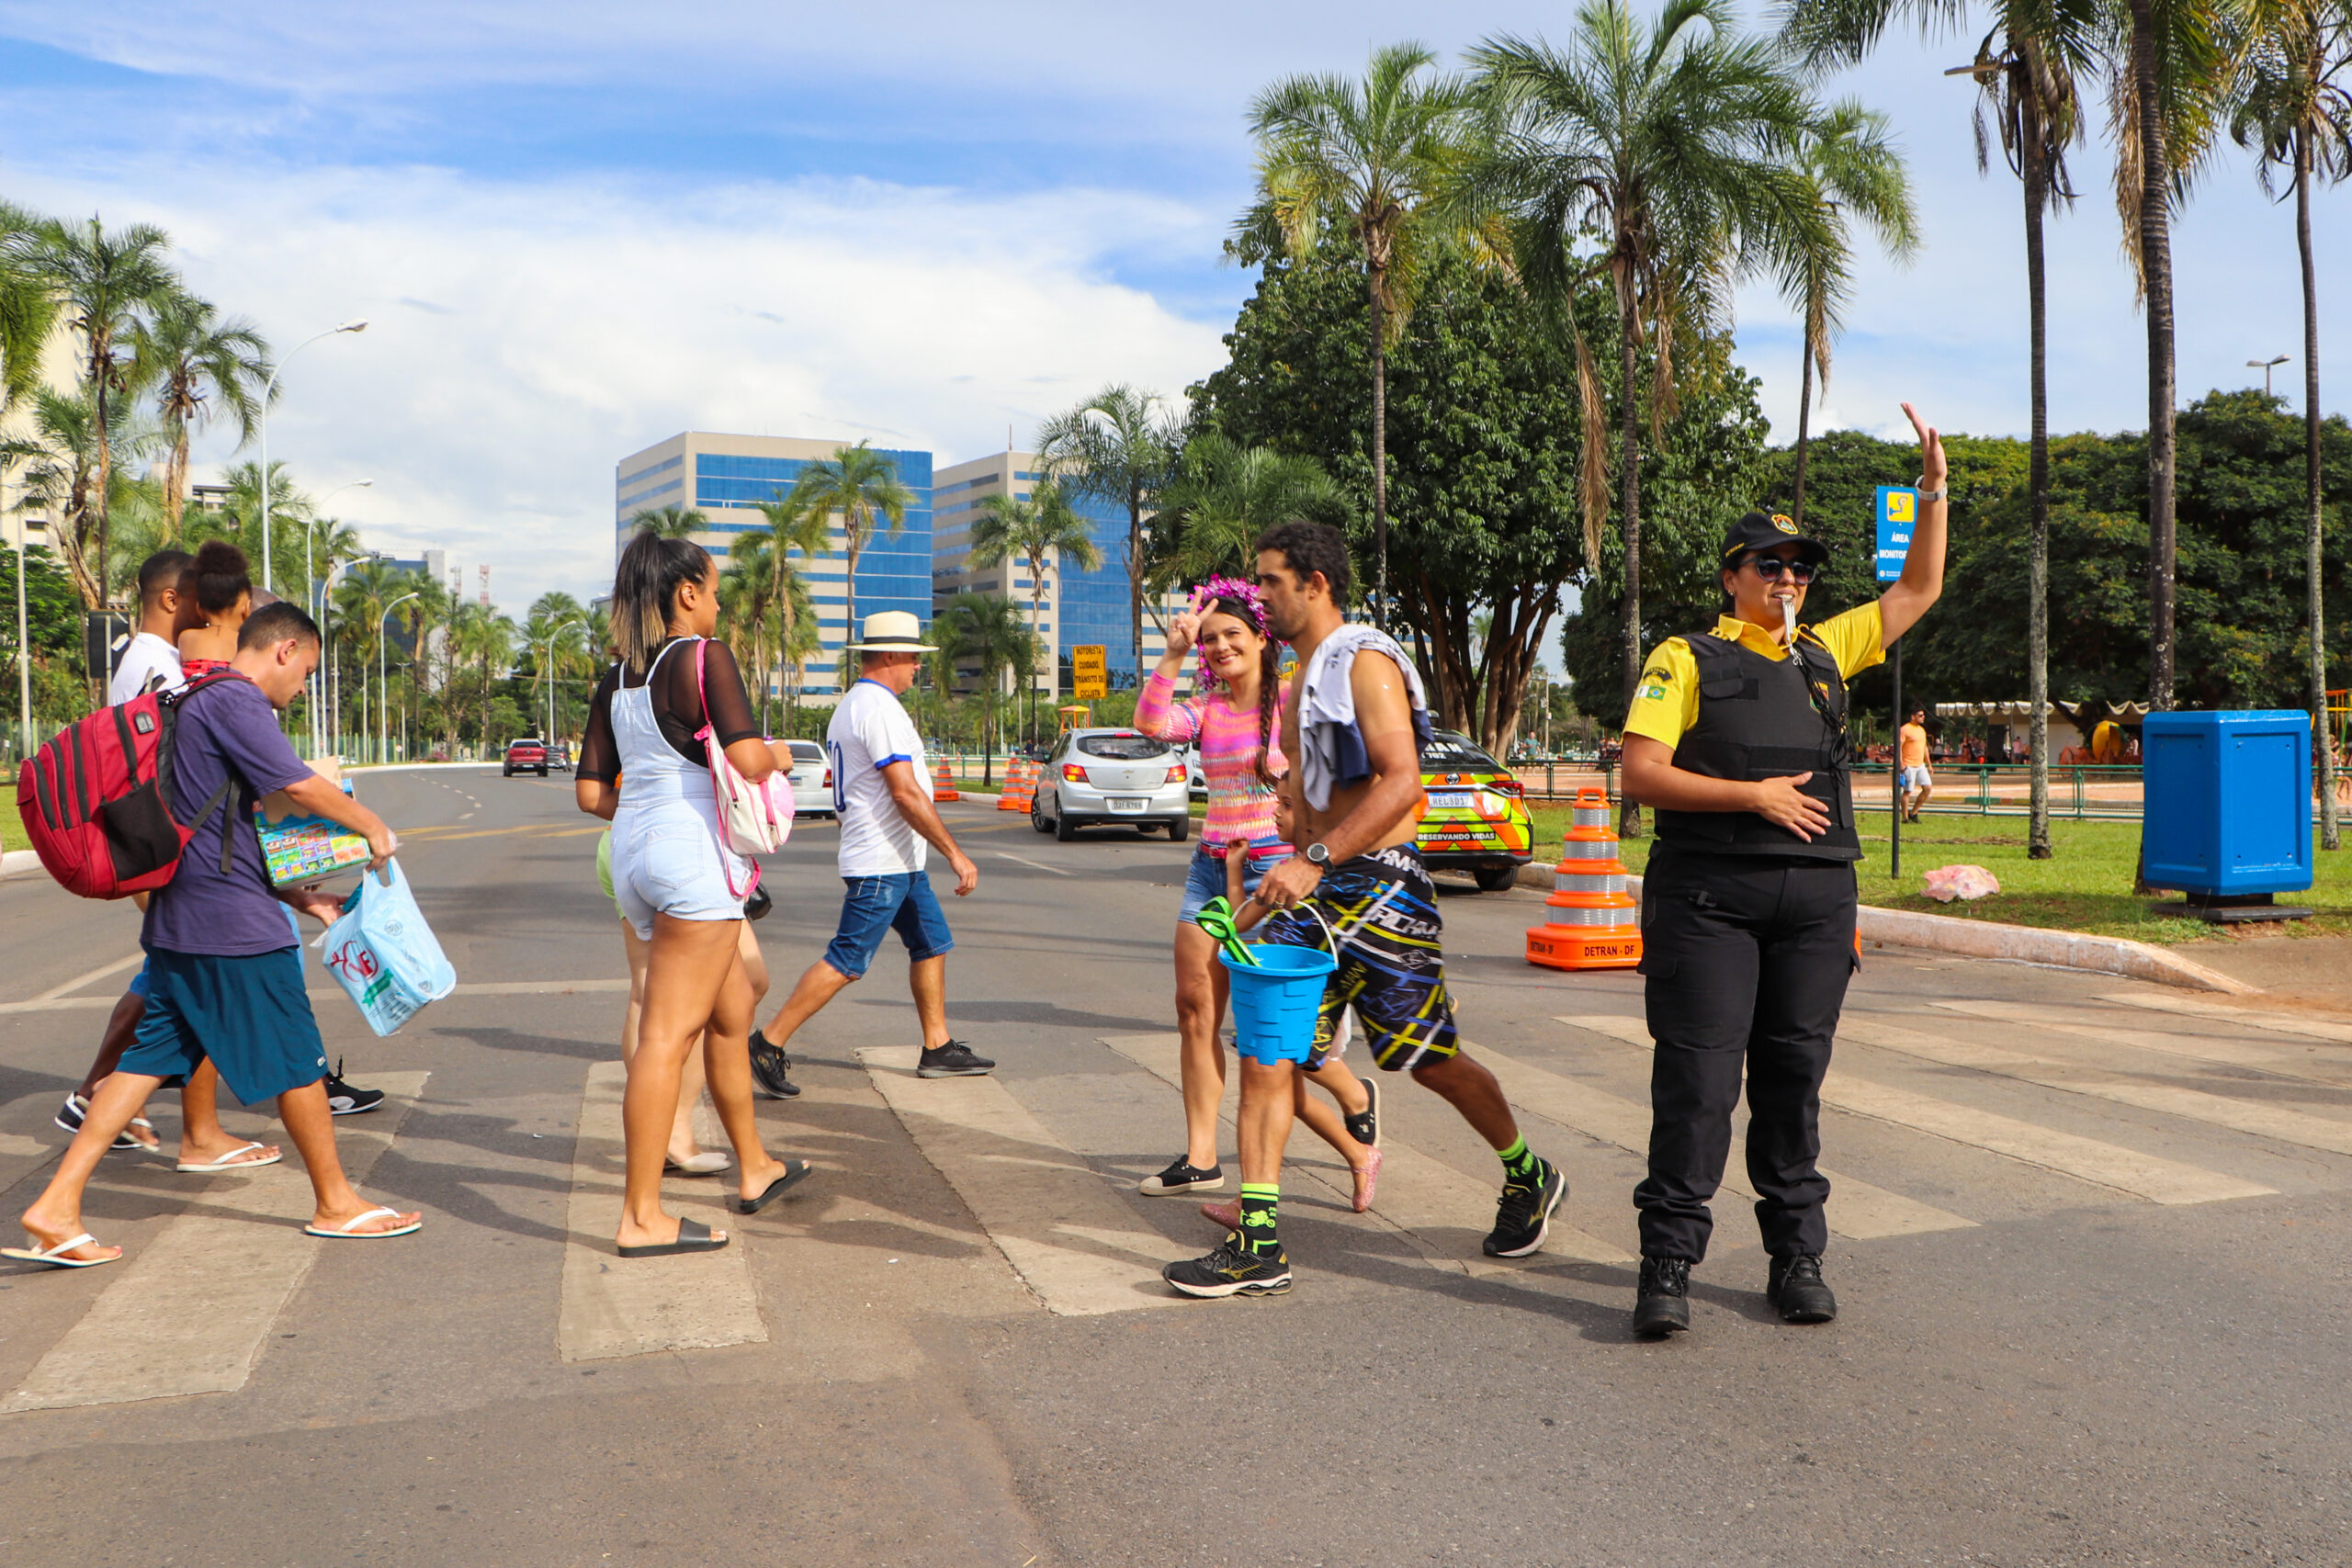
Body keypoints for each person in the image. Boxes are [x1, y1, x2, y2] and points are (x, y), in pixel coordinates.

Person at [1162, 523, 1562, 1300]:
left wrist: (1314, 858)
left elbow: (1402, 781)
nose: (1262, 593)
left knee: (1428, 1059)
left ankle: (1529, 1173)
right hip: (1321, 890)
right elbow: (1307, 800)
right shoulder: (1301, 674)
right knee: (1267, 1052)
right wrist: (1275, 857)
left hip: (1378, 886)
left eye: (1272, 580)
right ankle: (1260, 1240)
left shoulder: (1362, 658)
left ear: (1315, 584)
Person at [1617, 403, 1949, 1337]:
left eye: (1801, 567)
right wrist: (1753, 795)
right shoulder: (1685, 656)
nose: (1790, 578)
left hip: (1813, 902)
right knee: (1700, 1086)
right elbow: (1641, 772)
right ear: (1733, 577)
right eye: (1771, 564)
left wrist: (1933, 493)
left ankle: (1794, 1254)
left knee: (1793, 1084)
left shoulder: (1823, 653)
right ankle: (1668, 1263)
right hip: (1706, 901)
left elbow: (1916, 592)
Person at [9, 603, 423, 1269]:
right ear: (284, 650)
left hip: (184, 915)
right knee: (298, 1058)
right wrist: (371, 824)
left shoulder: (193, 696)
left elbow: (218, 826)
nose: (301, 688)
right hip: (231, 927)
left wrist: (295, 892)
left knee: (143, 1060)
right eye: (307, 671)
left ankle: (55, 1204)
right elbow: (299, 785)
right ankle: (337, 1202)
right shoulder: (236, 701)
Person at [575, 532, 810, 1257]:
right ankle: (641, 1215)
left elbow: (590, 793)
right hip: (687, 855)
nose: (716, 604)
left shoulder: (616, 678)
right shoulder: (702, 658)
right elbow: (744, 755)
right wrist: (783, 751)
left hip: (635, 849)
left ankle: (756, 1166)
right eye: (712, 591)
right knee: (666, 1035)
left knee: (732, 1007)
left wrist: (650, 820)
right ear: (685, 594)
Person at [1132, 579, 1377, 1201]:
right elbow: (1151, 722)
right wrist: (1173, 652)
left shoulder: (1292, 701)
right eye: (1210, 638)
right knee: (1194, 1009)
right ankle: (1202, 1156)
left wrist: (1315, 854)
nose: (1218, 647)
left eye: (1231, 634)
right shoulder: (1209, 707)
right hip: (1213, 868)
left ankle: (1351, 1096)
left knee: (1271, 1039)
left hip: (1279, 874)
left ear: (1262, 638)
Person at [753, 611, 992, 1082]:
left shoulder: (854, 704)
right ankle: (767, 1043)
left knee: (932, 943)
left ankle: (937, 1046)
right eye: (911, 658)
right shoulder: (878, 709)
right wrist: (955, 853)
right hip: (881, 861)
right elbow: (904, 791)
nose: (916, 667)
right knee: (847, 960)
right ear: (888, 656)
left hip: (898, 859)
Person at [1196, 777, 1382, 1224]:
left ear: (1318, 820)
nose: (1275, 813)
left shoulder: (1333, 874)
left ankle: (1355, 1127)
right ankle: (1358, 1155)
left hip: (1307, 1003)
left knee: (1272, 1092)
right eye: (1277, 803)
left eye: (1286, 805)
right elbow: (1241, 920)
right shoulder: (1285, 870)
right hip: (1272, 999)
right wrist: (1236, 868)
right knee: (1282, 1096)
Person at [598, 829, 779, 1171]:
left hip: (625, 842)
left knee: (651, 991)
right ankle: (674, 1130)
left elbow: (591, 797)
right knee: (691, 999)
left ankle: (664, 1130)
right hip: (684, 849)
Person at [1899, 707, 1933, 822]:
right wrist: (1901, 763)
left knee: (1927, 788)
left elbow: (1924, 748)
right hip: (1908, 765)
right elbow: (1899, 748)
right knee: (1908, 791)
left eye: (1923, 715)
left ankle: (1913, 813)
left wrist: (1929, 764)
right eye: (1920, 715)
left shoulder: (1922, 730)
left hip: (1920, 765)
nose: (1923, 717)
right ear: (1913, 716)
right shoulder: (1904, 729)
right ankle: (1905, 817)